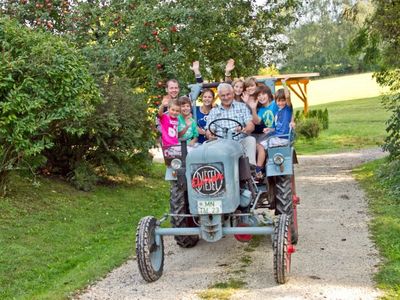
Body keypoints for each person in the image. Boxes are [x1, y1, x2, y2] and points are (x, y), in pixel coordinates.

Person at [206, 83, 256, 166]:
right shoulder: (214, 111)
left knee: (250, 140)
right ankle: (216, 172)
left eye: (228, 94)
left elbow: (250, 125)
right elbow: (209, 130)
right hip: (220, 143)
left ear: (232, 93)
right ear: (219, 96)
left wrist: (245, 129)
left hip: (239, 141)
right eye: (223, 95)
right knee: (208, 146)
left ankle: (250, 169)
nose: (226, 97)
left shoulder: (242, 107)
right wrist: (210, 135)